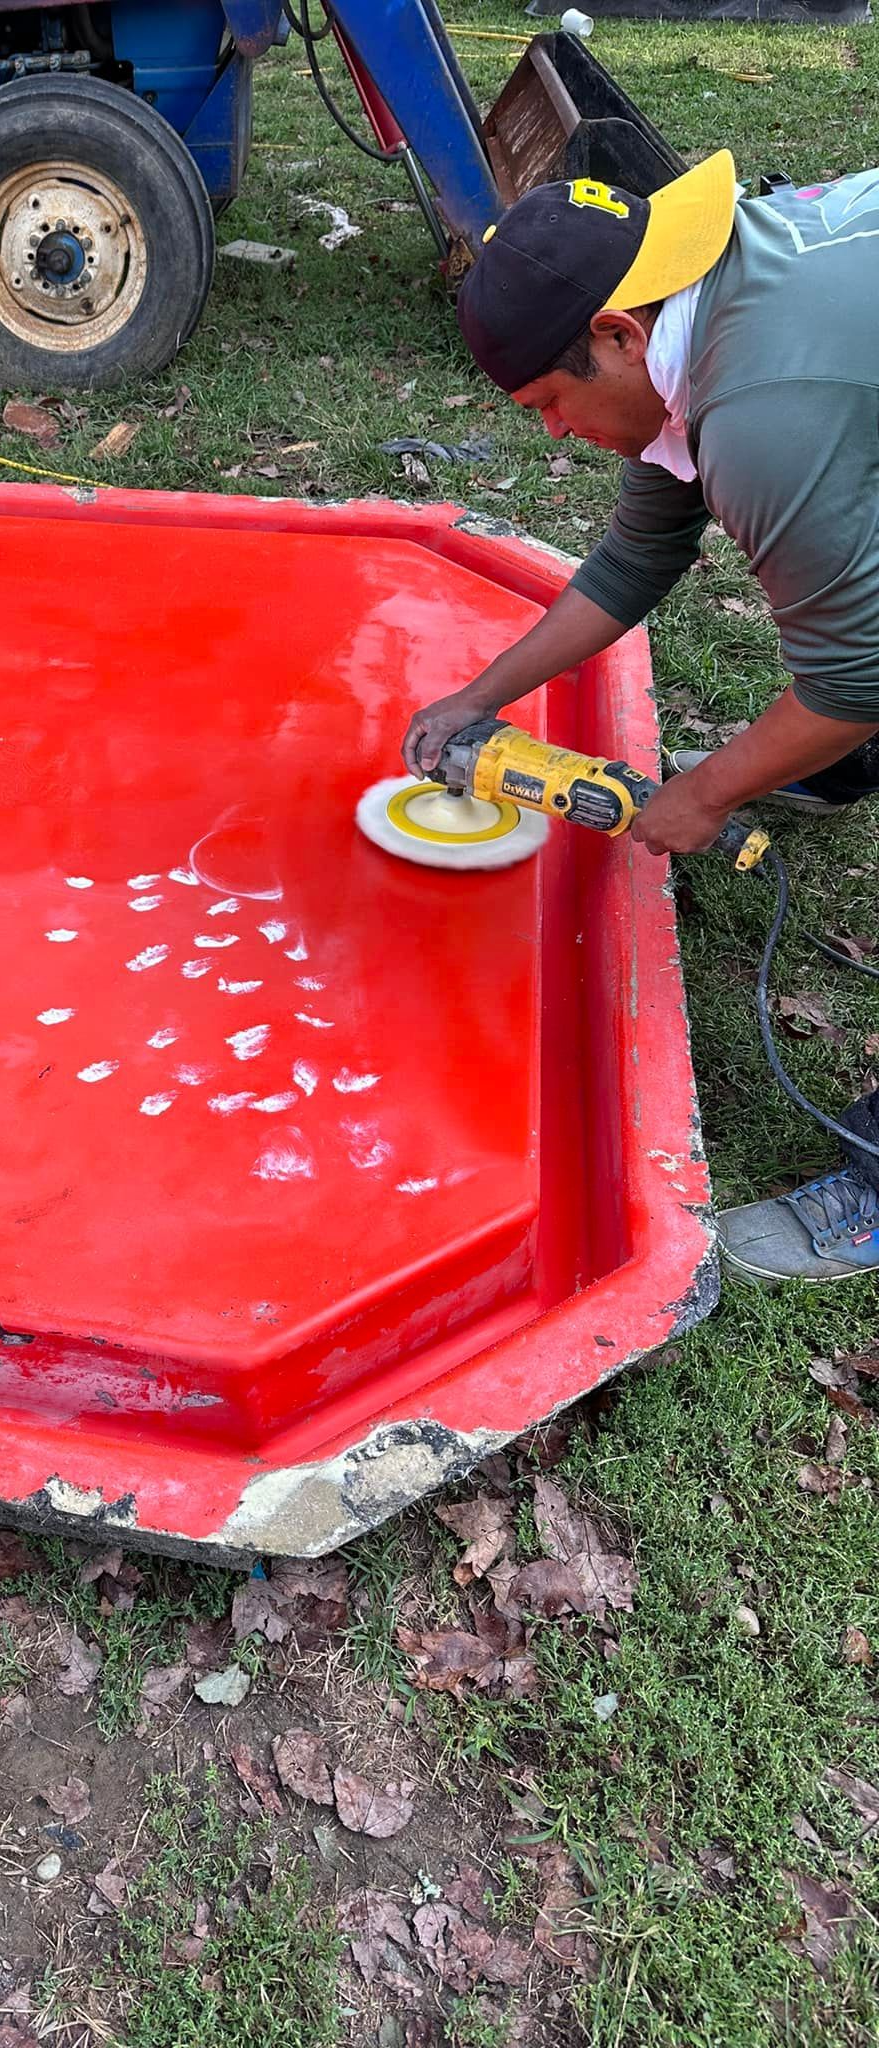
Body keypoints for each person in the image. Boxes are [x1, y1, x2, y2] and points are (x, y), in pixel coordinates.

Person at [402, 152, 879, 1285]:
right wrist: (482, 695)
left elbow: (856, 675)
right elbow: (638, 554)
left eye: (548, 404)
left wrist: (704, 795)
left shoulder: (758, 410)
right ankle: (842, 771)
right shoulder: (692, 305)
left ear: (615, 336)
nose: (555, 434)